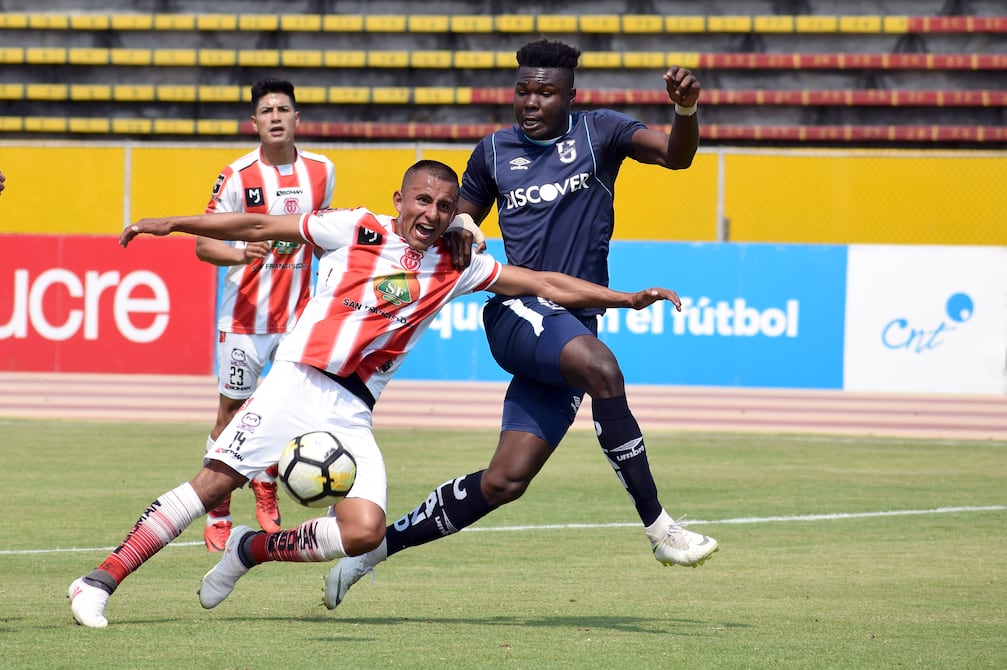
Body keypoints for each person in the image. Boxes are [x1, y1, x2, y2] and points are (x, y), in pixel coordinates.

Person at [67, 159, 683, 628]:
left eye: (444, 206)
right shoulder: (355, 228)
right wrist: (175, 224)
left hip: (352, 410)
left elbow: (544, 282)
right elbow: (260, 223)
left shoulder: (457, 265)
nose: (432, 214)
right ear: (400, 201)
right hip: (296, 381)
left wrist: (625, 299)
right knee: (213, 484)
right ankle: (99, 581)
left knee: (364, 531)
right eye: (423, 200)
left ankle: (249, 550)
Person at [325, 39, 717, 610]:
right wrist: (463, 228)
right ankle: (661, 529)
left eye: (545, 92)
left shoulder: (600, 133)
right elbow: (460, 219)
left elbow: (677, 157)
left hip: (571, 324)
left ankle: (374, 550)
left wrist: (684, 110)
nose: (531, 101)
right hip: (518, 311)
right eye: (523, 90)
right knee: (603, 369)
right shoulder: (492, 151)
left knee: (505, 481)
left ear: (570, 96)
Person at [198, 78, 335, 551]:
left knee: (287, 409)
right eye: (266, 111)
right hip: (243, 319)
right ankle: (218, 510)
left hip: (297, 319)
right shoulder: (236, 175)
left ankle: (266, 484)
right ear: (254, 122)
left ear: (297, 118)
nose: (275, 117)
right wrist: (240, 253)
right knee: (231, 411)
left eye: (282, 109)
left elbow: (324, 235)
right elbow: (203, 244)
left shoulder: (322, 171)